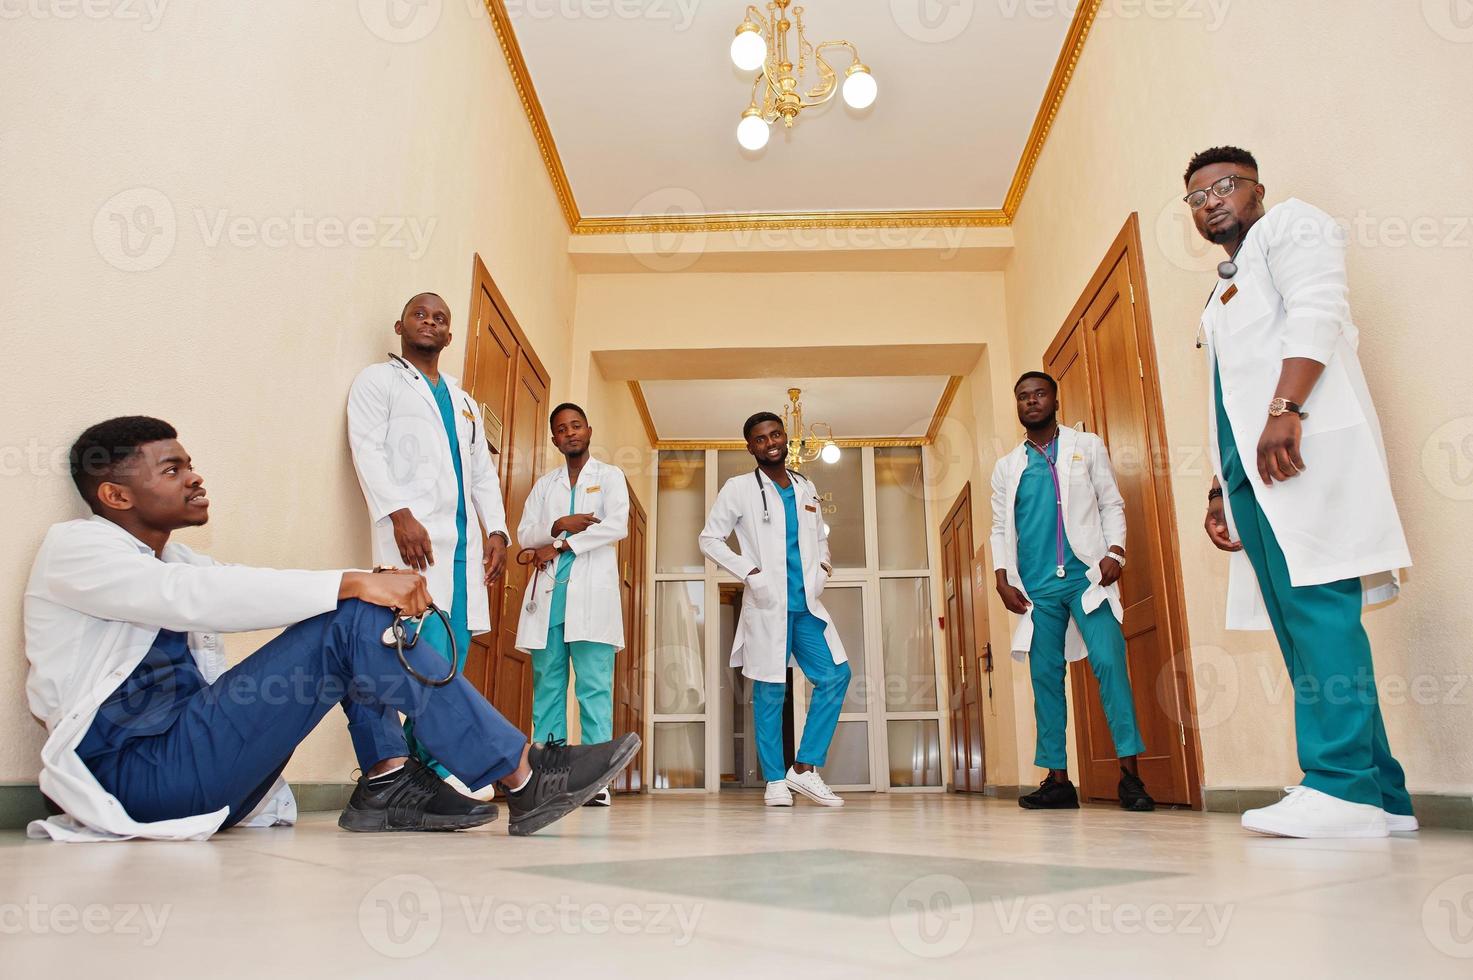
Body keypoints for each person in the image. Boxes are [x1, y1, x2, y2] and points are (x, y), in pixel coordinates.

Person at [24, 416, 639, 841]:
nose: (194, 476)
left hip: (202, 772)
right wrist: (352, 583)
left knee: (350, 617)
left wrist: (361, 581)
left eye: (189, 463)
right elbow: (191, 599)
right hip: (139, 778)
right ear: (114, 494)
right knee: (348, 609)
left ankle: (389, 782)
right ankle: (524, 775)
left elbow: (240, 583)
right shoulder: (76, 548)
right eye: (171, 468)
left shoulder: (174, 559)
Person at [1185, 145, 1414, 838]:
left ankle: (1340, 787)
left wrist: (1286, 412)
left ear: (1256, 189)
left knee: (1320, 614)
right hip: (1250, 473)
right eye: (1195, 198)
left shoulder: (1290, 225)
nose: (1209, 202)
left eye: (1222, 186)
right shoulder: (1222, 289)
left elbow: (1318, 310)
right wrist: (1217, 490)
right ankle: (1381, 795)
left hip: (1298, 452)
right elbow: (1230, 393)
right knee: (1300, 629)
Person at [346, 292, 509, 782]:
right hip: (413, 540)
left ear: (450, 336)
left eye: (440, 318)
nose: (430, 322)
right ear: (400, 325)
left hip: (461, 548)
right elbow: (367, 449)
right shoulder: (378, 381)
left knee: (450, 655)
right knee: (418, 653)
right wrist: (399, 514)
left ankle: (436, 768)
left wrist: (497, 529)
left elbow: (481, 472)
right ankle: (419, 769)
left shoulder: (464, 403)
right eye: (420, 314)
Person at [990, 372, 1154, 812]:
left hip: (1087, 579)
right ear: (1017, 406)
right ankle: (1058, 780)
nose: (1031, 401)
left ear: (1055, 400)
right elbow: (1001, 527)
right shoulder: (1008, 466)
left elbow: (1111, 503)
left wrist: (1115, 553)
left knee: (1110, 664)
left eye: (1039, 393)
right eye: (1022, 396)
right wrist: (1001, 575)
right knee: (1045, 678)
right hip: (1037, 589)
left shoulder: (1087, 446)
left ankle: (1130, 777)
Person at [699, 412, 850, 808]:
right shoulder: (738, 488)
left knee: (836, 676)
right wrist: (751, 573)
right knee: (770, 691)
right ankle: (774, 781)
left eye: (776, 434)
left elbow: (819, 537)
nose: (771, 442)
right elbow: (710, 539)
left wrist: (822, 569)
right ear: (750, 447)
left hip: (805, 605)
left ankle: (802, 770)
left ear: (785, 438)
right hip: (768, 605)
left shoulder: (805, 485)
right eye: (761, 438)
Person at [515, 403, 629, 808]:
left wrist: (561, 544)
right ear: (554, 440)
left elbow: (617, 525)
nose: (570, 433)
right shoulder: (545, 485)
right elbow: (525, 534)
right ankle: (551, 775)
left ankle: (597, 780)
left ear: (589, 429)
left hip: (592, 601)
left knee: (594, 689)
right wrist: (559, 525)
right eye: (562, 429)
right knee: (547, 689)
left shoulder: (611, 476)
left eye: (576, 425)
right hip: (548, 599)